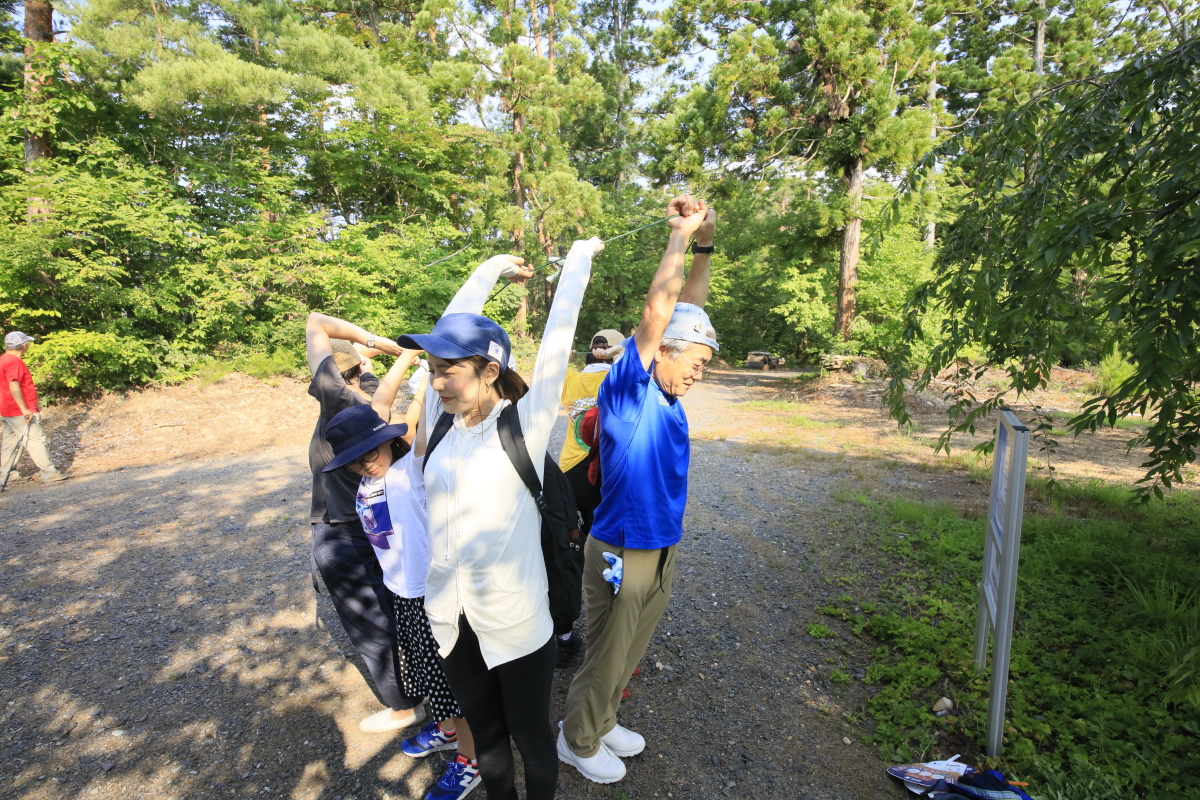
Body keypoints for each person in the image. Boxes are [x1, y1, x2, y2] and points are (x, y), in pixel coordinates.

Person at [398, 239, 603, 800]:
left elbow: (558, 338)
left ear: (490, 370)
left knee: (531, 739)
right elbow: (450, 323)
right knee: (486, 740)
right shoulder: (442, 421)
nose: (436, 383)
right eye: (432, 371)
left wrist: (580, 257)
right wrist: (490, 268)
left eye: (448, 371)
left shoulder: (524, 425)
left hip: (517, 622)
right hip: (450, 619)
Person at [558, 196, 718, 784]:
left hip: (660, 543)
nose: (700, 370)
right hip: (623, 546)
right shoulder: (630, 391)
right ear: (661, 353)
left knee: (630, 649)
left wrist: (705, 244)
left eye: (706, 362)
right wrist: (679, 236)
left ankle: (602, 721)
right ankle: (576, 739)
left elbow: (687, 310)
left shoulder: (671, 395)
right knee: (606, 651)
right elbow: (660, 312)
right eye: (695, 360)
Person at [323, 350, 481, 800]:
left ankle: (472, 759)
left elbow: (425, 419)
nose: (364, 464)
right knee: (430, 675)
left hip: (430, 594)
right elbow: (375, 410)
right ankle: (447, 729)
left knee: (452, 682)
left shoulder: (410, 470)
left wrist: (427, 373)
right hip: (401, 593)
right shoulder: (367, 480)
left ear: (388, 442)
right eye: (353, 462)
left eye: (370, 453)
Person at [304, 313, 426, 732]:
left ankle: (404, 705)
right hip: (376, 529)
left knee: (370, 623)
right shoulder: (369, 407)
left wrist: (378, 342)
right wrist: (399, 356)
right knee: (398, 611)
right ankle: (425, 684)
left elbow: (315, 321)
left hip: (343, 530)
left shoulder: (338, 403)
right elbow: (381, 391)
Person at [553, 328, 624, 668]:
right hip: (605, 469)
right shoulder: (619, 378)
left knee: (569, 543)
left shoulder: (571, 380)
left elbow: (554, 370)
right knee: (607, 543)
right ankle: (608, 617)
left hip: (570, 468)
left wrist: (567, 357)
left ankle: (564, 628)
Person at [0, 331, 69, 484]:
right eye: (28, 343)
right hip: (19, 412)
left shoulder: (3, 359)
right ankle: (49, 473)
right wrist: (24, 408)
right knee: (35, 440)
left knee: (10, 444)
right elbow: (13, 385)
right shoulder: (14, 362)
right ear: (23, 345)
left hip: (8, 409)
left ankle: (7, 475)